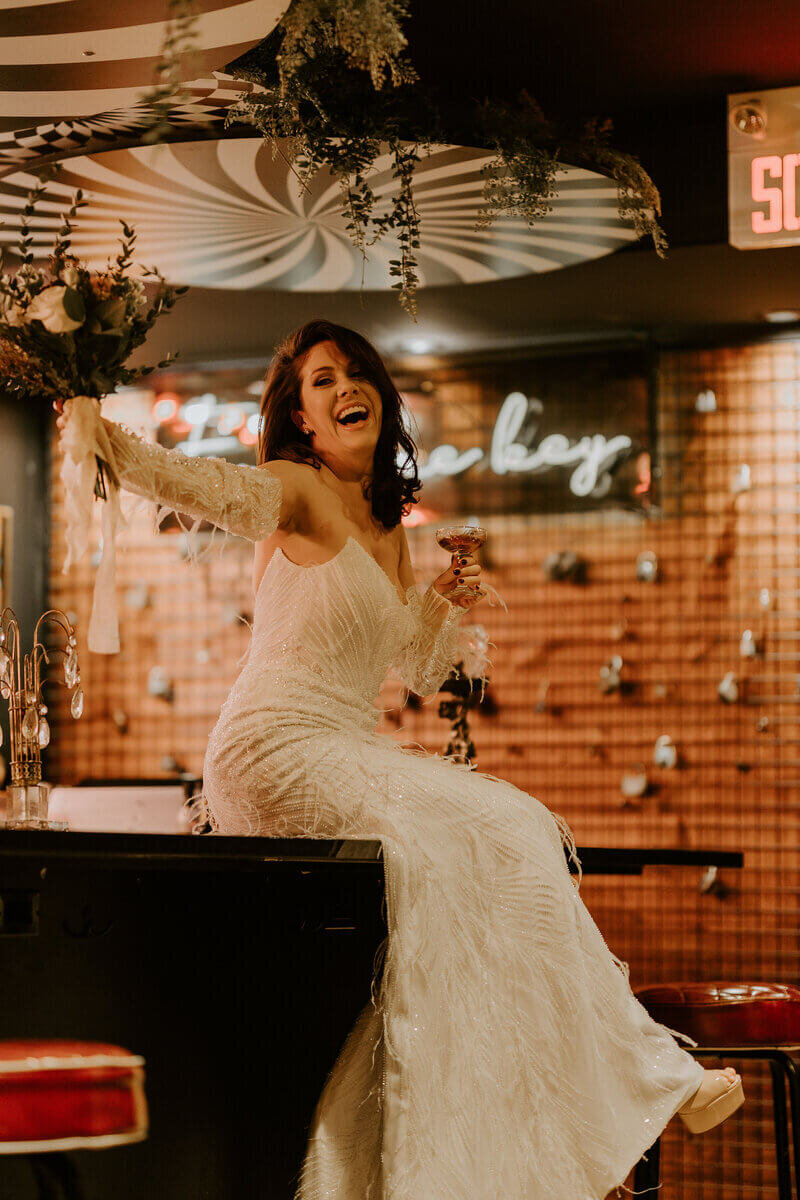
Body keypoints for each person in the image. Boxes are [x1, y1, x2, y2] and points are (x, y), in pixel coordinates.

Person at [57, 319, 743, 1199]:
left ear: (380, 394)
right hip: (271, 744)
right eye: (320, 380)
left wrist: (442, 607)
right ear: (302, 417)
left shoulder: (388, 528)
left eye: (355, 372)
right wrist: (96, 425)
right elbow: (202, 486)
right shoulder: (293, 487)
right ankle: (655, 1079)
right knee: (509, 822)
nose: (344, 386)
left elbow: (414, 673)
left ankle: (446, 1154)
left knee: (489, 857)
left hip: (344, 741)